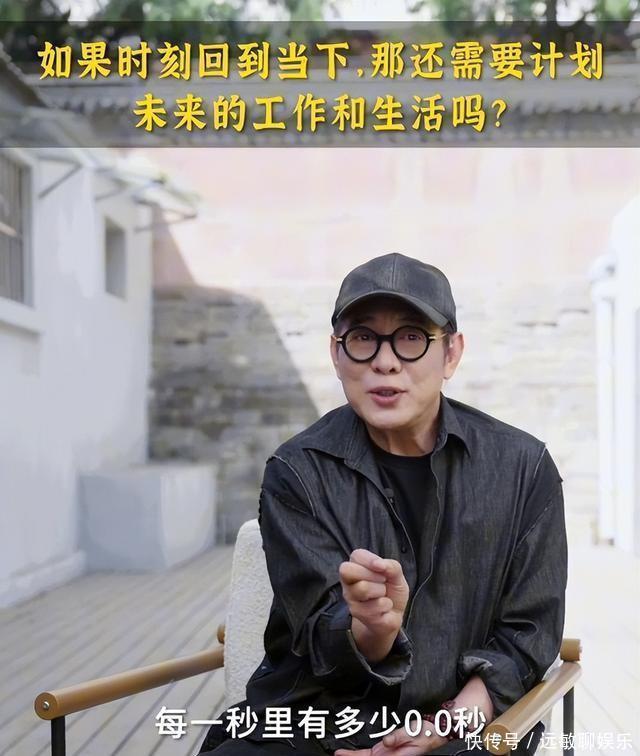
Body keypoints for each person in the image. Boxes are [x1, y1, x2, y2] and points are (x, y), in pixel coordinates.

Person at [199, 253, 568, 756]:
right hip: (317, 722)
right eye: (363, 337)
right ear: (336, 354)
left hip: (461, 727)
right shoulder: (297, 471)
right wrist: (371, 629)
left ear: (452, 353)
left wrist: (447, 724)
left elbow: (529, 634)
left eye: (412, 337)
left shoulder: (524, 469)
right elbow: (318, 639)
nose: (385, 360)